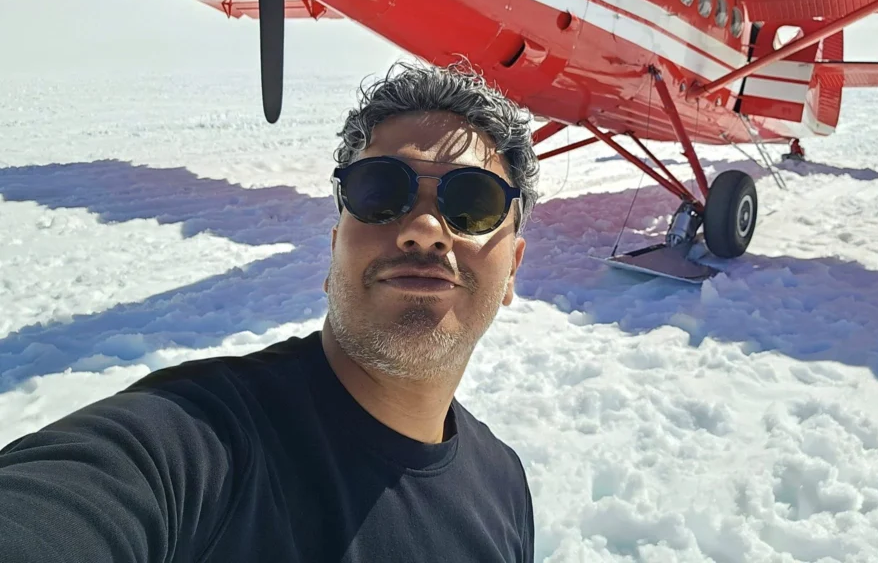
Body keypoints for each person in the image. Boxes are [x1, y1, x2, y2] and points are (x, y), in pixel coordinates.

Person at [0, 60, 539, 562]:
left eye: (474, 202)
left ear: (512, 268)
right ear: (333, 253)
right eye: (379, 192)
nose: (424, 231)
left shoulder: (505, 487)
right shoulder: (190, 446)